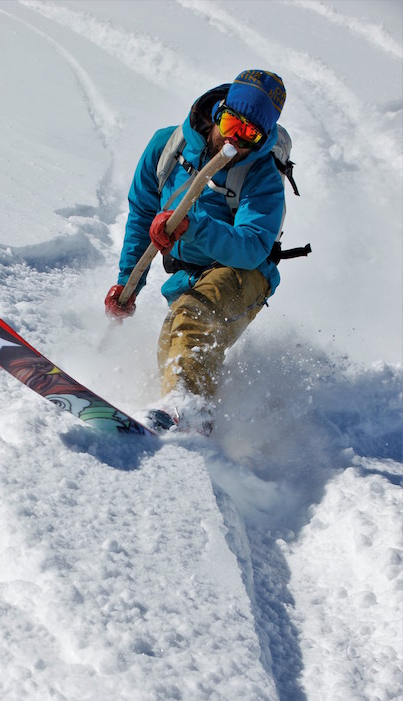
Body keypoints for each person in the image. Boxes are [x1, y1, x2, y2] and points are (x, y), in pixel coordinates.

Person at [104, 69, 287, 432]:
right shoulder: (167, 146)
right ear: (219, 111)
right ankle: (192, 420)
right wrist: (128, 284)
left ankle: (183, 411)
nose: (235, 138)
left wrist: (194, 227)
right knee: (172, 344)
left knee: (192, 317)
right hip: (190, 275)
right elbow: (143, 212)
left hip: (245, 274)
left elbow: (252, 246)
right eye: (232, 122)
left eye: (249, 133)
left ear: (263, 138)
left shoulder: (263, 176)